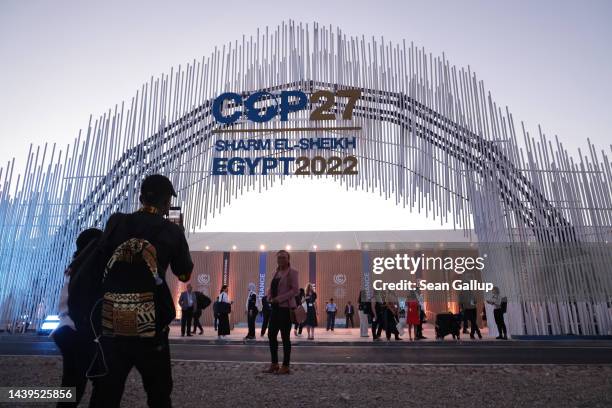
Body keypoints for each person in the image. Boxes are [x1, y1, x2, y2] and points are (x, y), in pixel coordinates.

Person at [91, 174, 193, 408]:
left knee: (106, 392)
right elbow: (184, 274)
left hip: (113, 318)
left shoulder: (116, 222)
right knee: (158, 394)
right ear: (167, 203)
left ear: (140, 198)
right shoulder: (172, 231)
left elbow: (101, 259)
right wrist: (178, 237)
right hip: (150, 323)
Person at [52, 228, 102, 408]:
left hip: (67, 329)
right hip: (77, 331)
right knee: (78, 384)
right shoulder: (86, 268)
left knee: (75, 382)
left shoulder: (77, 265)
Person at [263, 250, 299, 375]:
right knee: (271, 335)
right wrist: (268, 296)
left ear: (288, 259)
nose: (281, 260)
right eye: (279, 258)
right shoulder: (275, 272)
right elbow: (271, 288)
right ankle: (274, 363)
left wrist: (279, 298)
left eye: (283, 258)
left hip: (285, 309)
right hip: (275, 308)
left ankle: (286, 365)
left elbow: (295, 290)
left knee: (285, 337)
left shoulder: (292, 273)